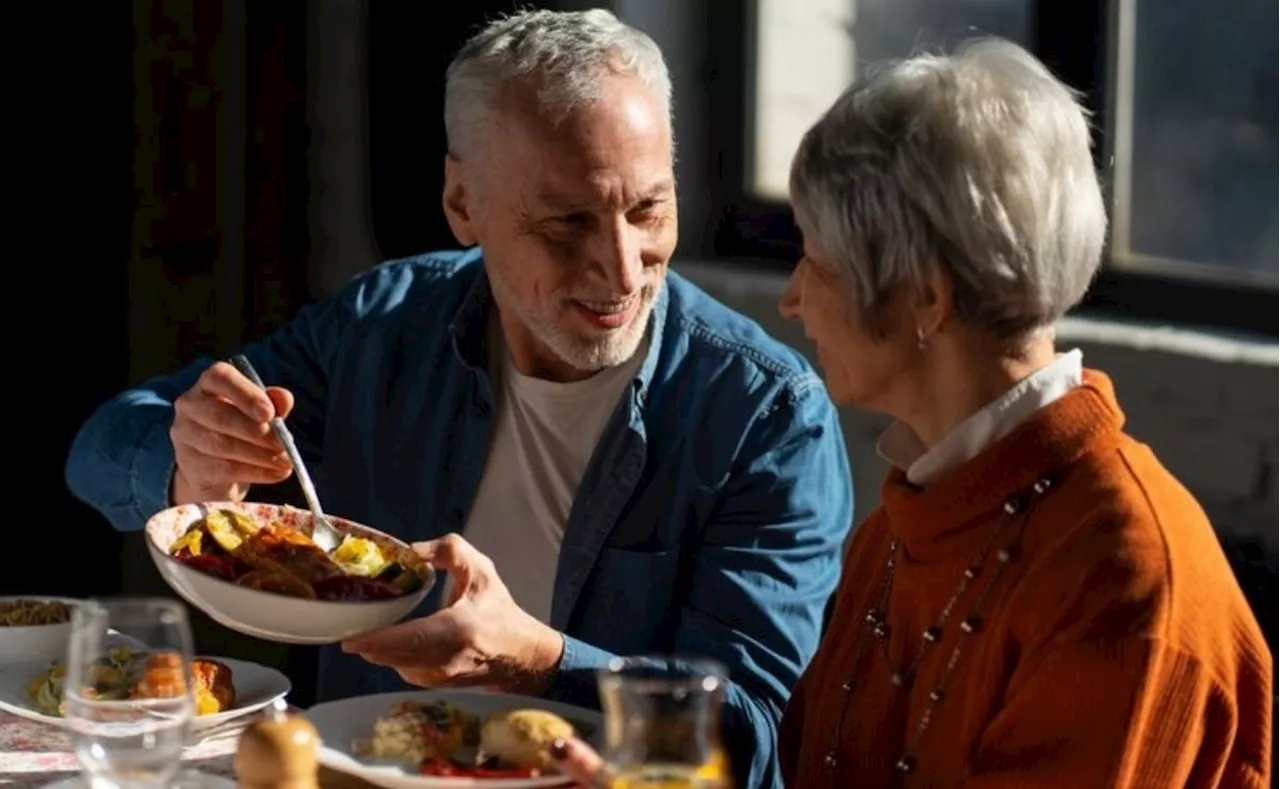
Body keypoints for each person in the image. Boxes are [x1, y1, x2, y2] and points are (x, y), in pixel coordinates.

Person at [63, 9, 854, 788]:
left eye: (647, 209)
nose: (621, 268)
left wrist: (539, 661)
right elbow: (99, 449)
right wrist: (191, 468)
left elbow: (752, 742)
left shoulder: (766, 415)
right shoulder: (382, 326)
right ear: (462, 204)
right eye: (565, 224)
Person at [549, 38, 1273, 788]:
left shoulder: (1123, 581)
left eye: (817, 263)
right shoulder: (906, 518)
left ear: (927, 297)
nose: (793, 299)